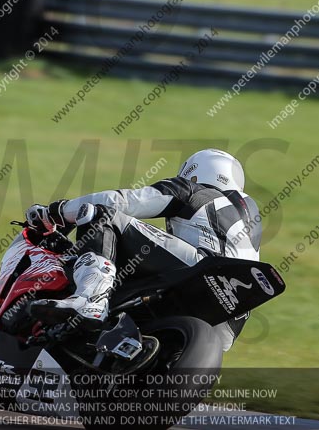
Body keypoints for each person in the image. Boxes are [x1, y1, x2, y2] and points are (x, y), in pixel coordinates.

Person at [25, 149, 262, 352]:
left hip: (201, 270)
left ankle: (92, 299)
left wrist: (57, 211)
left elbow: (123, 201)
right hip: (229, 320)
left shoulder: (194, 190)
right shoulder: (250, 215)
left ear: (194, 173)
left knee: (100, 214)